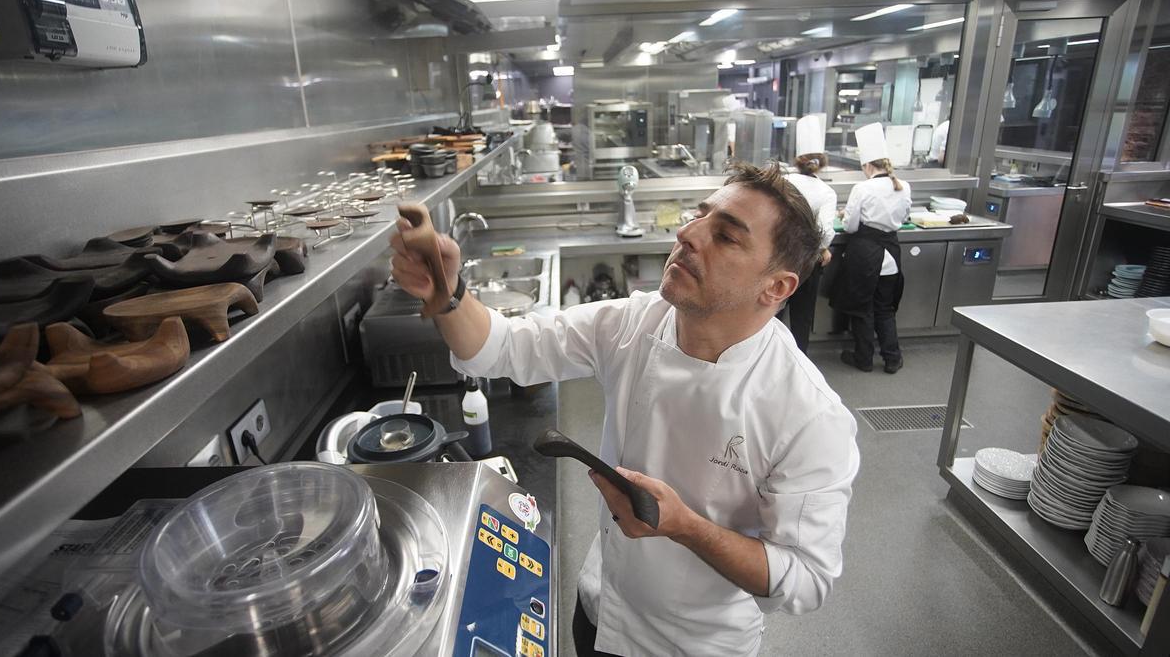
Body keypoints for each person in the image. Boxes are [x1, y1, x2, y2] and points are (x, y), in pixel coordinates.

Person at [389, 163, 859, 657]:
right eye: (699, 216)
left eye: (725, 236)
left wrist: (687, 527)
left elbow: (805, 578)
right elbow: (504, 346)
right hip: (600, 606)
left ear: (777, 287)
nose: (688, 234)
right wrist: (448, 293)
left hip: (693, 645)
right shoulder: (636, 323)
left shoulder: (808, 415)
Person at [831, 122, 911, 374]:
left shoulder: (863, 188)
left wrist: (844, 215)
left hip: (865, 255)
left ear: (867, 165)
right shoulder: (904, 186)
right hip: (891, 256)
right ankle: (892, 358)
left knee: (862, 309)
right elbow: (903, 217)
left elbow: (850, 226)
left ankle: (864, 359)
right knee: (884, 309)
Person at [780, 113, 837, 354]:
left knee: (771, 312)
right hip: (807, 261)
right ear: (821, 163)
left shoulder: (782, 182)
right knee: (802, 317)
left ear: (797, 161)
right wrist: (822, 248)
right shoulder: (826, 192)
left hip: (778, 256)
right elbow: (824, 230)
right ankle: (798, 359)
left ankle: (765, 359)